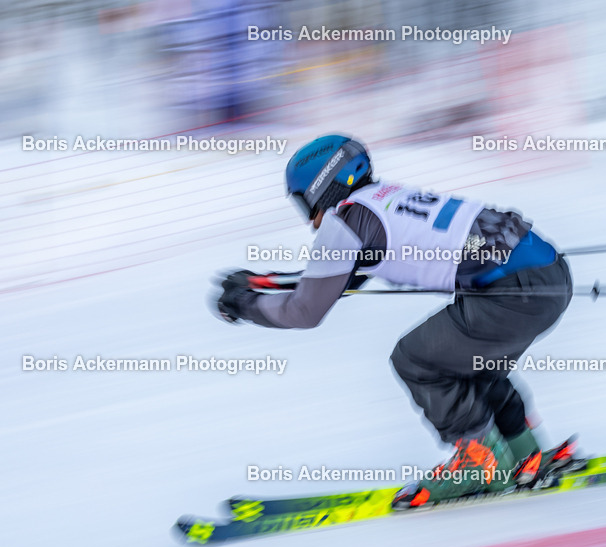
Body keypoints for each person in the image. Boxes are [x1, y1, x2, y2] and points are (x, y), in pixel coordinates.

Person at [215, 134, 574, 508]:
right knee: (470, 363)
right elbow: (337, 279)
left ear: (322, 187)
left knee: (415, 358)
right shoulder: (382, 199)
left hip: (514, 295)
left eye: (304, 204)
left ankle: (480, 464)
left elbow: (306, 310)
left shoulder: (346, 222)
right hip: (547, 278)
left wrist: (246, 304)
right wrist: (263, 283)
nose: (310, 220)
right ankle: (525, 453)